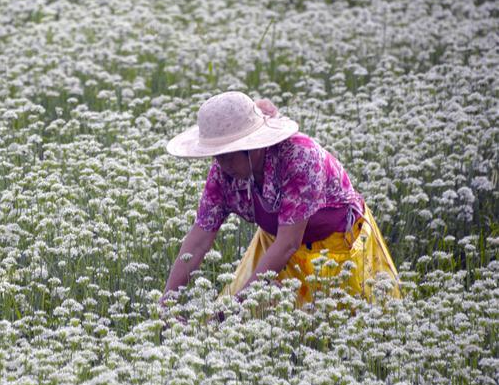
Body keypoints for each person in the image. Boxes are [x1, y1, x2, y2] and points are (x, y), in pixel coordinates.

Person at [160, 91, 401, 319]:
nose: (223, 165)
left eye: (229, 155)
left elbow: (289, 243)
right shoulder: (223, 174)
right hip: (276, 251)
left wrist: (239, 305)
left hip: (336, 250)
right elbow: (199, 239)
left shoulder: (300, 157)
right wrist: (167, 304)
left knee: (345, 322)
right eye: (217, 156)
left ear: (253, 147)